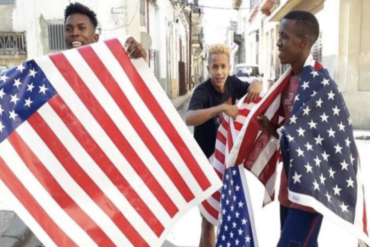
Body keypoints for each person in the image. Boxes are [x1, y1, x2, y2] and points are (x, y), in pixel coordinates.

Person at [257, 11, 325, 247]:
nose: (278, 42)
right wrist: (271, 128)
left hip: (310, 193)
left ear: (304, 41)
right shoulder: (285, 81)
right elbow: (292, 134)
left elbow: (328, 139)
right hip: (288, 188)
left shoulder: (320, 84)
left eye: (284, 37)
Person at [186, 44, 262, 247]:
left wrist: (256, 82)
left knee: (212, 217)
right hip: (204, 162)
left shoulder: (233, 84)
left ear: (229, 67)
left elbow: (255, 90)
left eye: (223, 67)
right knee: (209, 219)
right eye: (214, 67)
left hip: (225, 162)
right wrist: (220, 108)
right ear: (208, 68)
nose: (219, 72)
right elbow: (190, 118)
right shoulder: (203, 91)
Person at [64, 2, 146, 59]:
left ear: (95, 38)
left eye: (81, 28)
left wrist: (139, 61)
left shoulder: (109, 66)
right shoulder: (55, 70)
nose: (74, 33)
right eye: (69, 29)